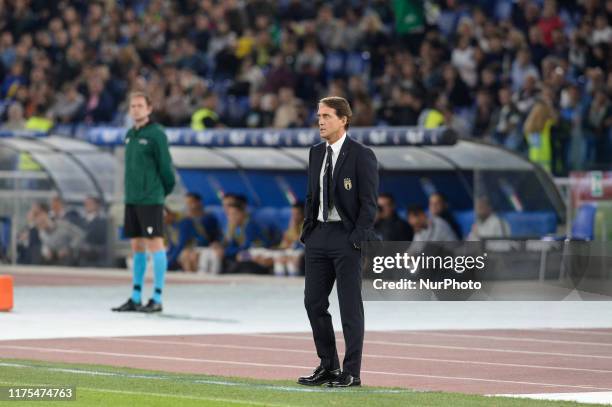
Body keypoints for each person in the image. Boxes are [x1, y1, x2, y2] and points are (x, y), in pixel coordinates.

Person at [298, 96, 379, 388]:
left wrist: (357, 238)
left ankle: (352, 372)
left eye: (327, 116)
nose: (320, 121)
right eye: (319, 116)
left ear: (344, 119)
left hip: (346, 238)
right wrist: (308, 230)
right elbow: (310, 195)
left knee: (349, 307)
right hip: (319, 235)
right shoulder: (315, 153)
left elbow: (369, 204)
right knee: (313, 302)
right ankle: (328, 365)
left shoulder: (361, 154)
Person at [112, 91, 175, 313]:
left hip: (150, 199)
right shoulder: (130, 134)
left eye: (140, 106)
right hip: (133, 198)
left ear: (149, 109)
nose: (135, 109)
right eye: (132, 106)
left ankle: (157, 297)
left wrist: (159, 193)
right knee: (136, 245)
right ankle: (136, 295)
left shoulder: (157, 134)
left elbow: (166, 168)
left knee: (155, 243)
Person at [172, 192, 221, 272]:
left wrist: (216, 243)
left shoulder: (210, 218)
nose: (189, 206)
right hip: (191, 248)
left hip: (206, 247)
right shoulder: (185, 220)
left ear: (199, 203)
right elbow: (182, 241)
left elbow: (215, 235)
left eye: (191, 202)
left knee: (194, 256)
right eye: (188, 203)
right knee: (185, 255)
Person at [78, 196, 110, 267]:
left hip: (95, 255)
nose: (87, 206)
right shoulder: (80, 220)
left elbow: (104, 241)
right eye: (86, 204)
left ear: (97, 205)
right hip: (80, 254)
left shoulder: (102, 222)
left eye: (90, 203)